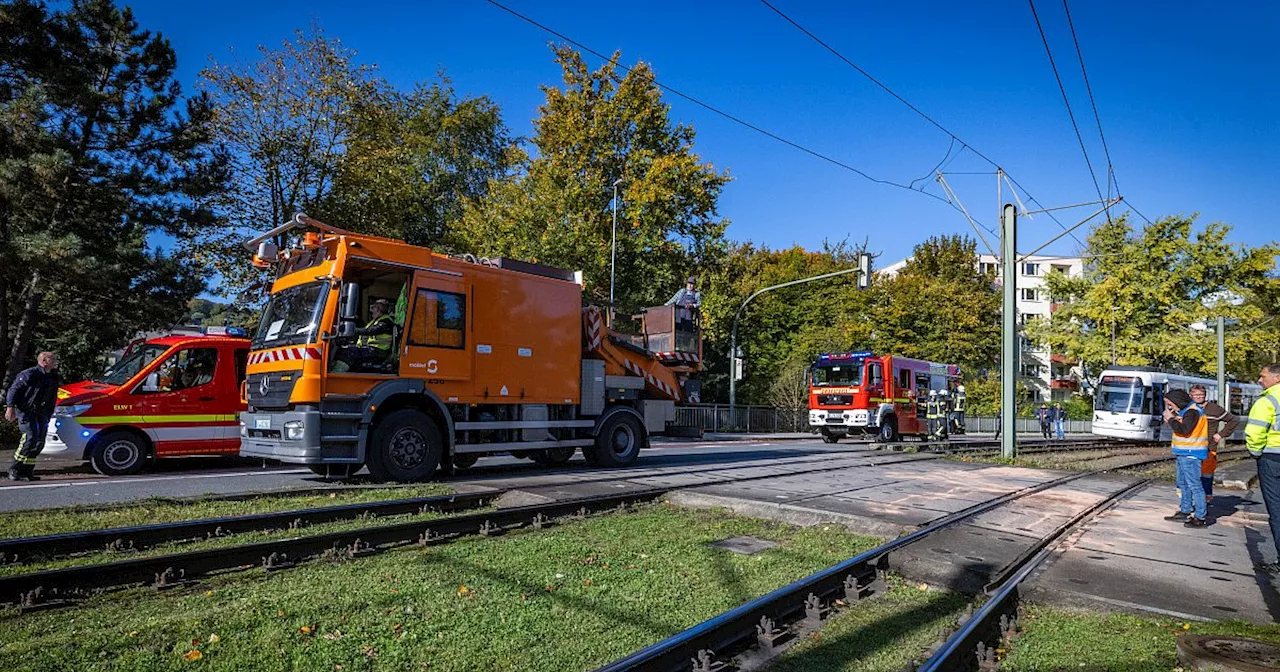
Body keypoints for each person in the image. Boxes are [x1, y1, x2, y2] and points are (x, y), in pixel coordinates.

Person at [4, 351, 61, 482]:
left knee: (39, 442)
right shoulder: (29, 374)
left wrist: (50, 412)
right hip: (26, 411)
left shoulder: (52, 376)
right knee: (30, 438)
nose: (56, 362)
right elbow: (13, 390)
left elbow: (52, 396)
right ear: (44, 361)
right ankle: (14, 468)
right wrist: (10, 407)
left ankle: (27, 471)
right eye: (53, 360)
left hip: (42, 413)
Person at [1245, 364, 1280, 570]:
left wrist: (1256, 453)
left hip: (1273, 459)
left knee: (1277, 510)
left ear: (1277, 378)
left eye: (1263, 376)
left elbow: (1255, 433)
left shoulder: (1267, 401)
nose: (1260, 379)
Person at [1162, 389, 1209, 527]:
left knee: (1194, 485)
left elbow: (1184, 430)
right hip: (1184, 453)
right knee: (1183, 484)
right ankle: (1185, 510)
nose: (1170, 407)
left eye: (1170, 404)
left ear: (1178, 401)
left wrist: (1171, 419)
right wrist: (1173, 419)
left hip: (1191, 454)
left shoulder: (1192, 412)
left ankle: (1200, 517)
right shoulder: (1186, 412)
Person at [1190, 383, 1238, 503]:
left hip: (1209, 447)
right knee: (1192, 476)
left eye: (1201, 395)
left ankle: (1206, 499)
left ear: (1205, 395)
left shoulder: (1214, 409)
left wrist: (1221, 434)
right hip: (1191, 447)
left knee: (1206, 475)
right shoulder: (1188, 408)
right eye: (1195, 395)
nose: (1199, 397)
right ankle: (1193, 501)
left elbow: (1233, 420)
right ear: (1190, 395)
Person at [334, 299, 396, 373]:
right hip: (372, 350)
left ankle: (337, 372)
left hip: (378, 353)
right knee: (343, 350)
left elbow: (370, 331)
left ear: (379, 309)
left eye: (374, 308)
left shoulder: (386, 322)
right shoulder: (376, 321)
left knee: (350, 353)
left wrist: (350, 330)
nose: (371, 311)